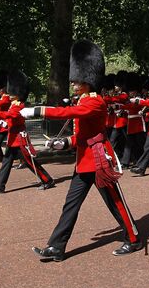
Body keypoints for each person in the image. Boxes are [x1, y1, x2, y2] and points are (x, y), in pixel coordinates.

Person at [23, 39, 142, 260]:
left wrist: (36, 111)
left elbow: (65, 114)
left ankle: (134, 238)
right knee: (71, 204)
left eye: (78, 80)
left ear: (89, 79)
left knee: (116, 202)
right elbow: (80, 134)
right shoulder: (84, 101)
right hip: (84, 161)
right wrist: (65, 143)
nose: (75, 84)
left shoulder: (96, 102)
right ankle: (56, 246)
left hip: (98, 161)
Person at [0, 69, 55, 195]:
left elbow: (10, 115)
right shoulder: (14, 103)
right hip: (13, 138)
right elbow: (8, 117)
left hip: (19, 139)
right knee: (6, 162)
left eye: (11, 91)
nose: (9, 93)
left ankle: (47, 180)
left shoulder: (19, 105)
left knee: (30, 162)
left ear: (17, 92)